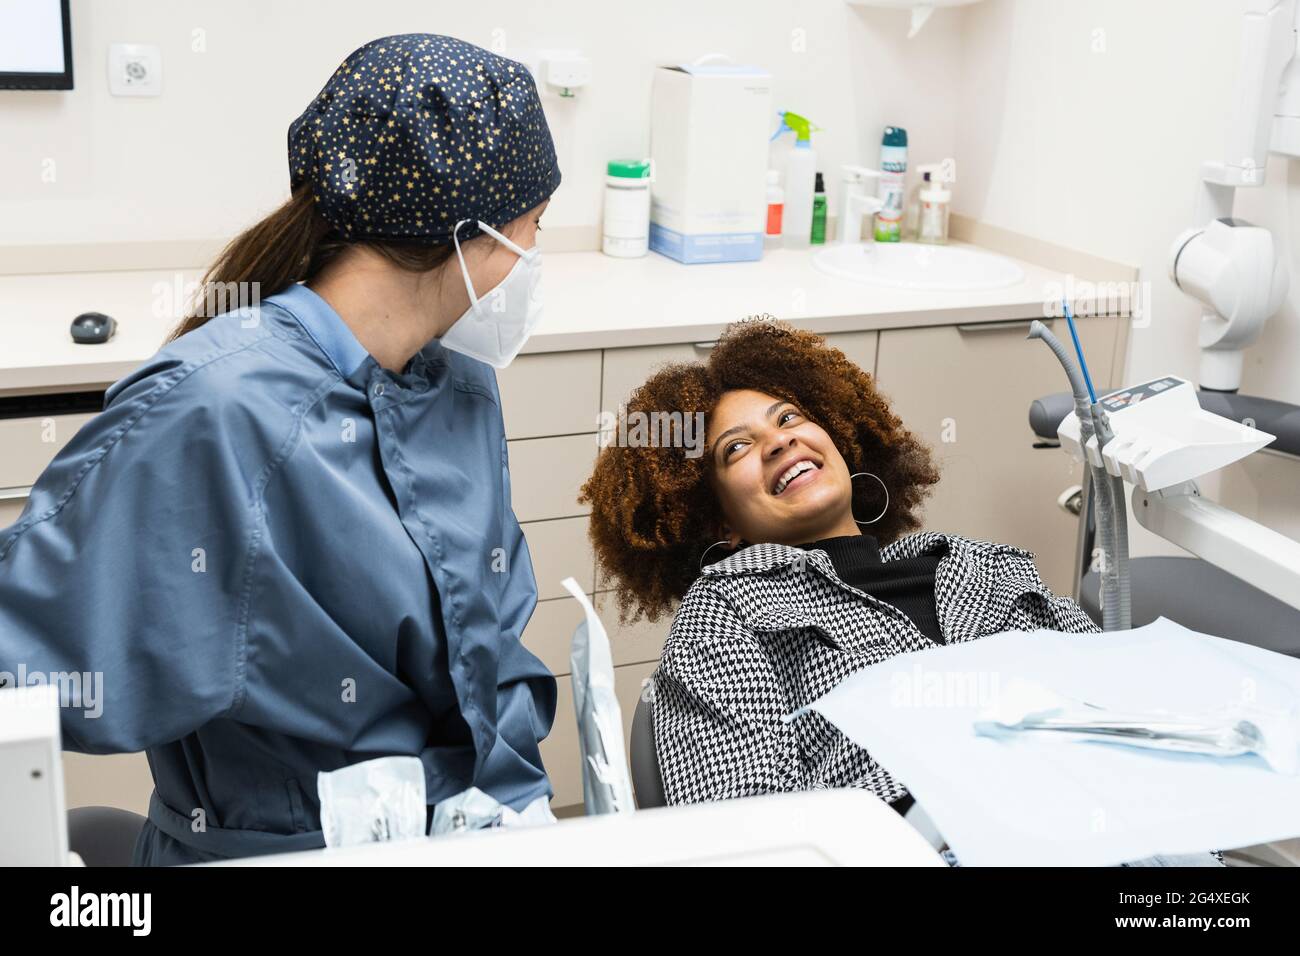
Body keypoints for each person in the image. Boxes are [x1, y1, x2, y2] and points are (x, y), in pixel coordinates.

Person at [0, 33, 560, 865]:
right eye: (533, 232)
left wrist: (524, 815)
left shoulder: (456, 391)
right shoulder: (216, 412)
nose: (532, 264)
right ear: (473, 237)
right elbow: (25, 663)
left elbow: (488, 651)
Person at [579, 317, 1223, 866]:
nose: (779, 440)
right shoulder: (728, 618)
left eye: (790, 417)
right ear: (720, 522)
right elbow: (754, 841)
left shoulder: (985, 567)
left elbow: (1124, 712)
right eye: (738, 448)